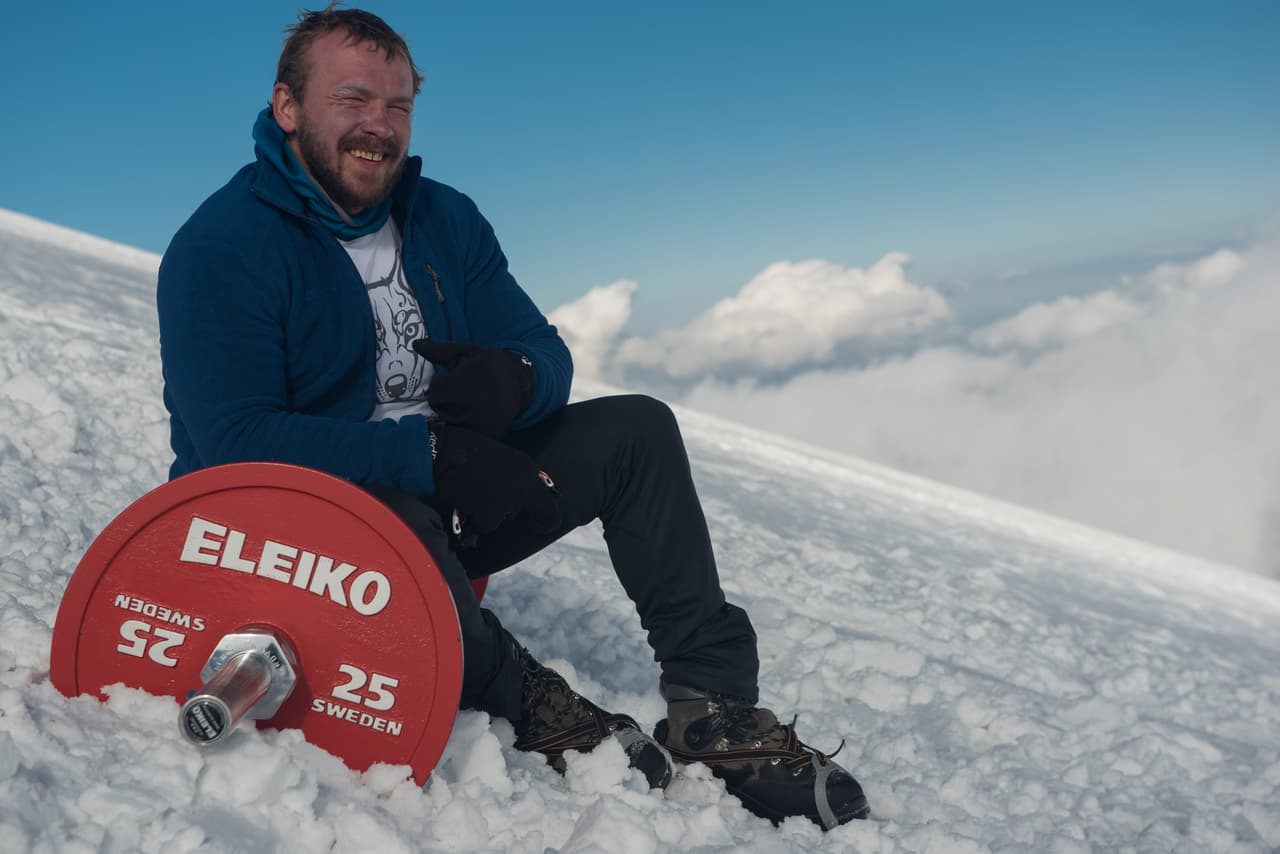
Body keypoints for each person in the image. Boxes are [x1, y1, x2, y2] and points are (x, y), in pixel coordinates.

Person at [156, 5, 868, 829]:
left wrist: (516, 382)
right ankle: (525, 697)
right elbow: (235, 445)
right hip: (302, 532)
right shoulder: (224, 247)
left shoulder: (443, 218)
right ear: (287, 107)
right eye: (353, 100)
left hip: (452, 486)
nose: (379, 127)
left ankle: (713, 710)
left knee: (638, 432)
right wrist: (426, 457)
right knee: (396, 526)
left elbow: (543, 349)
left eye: (398, 106)